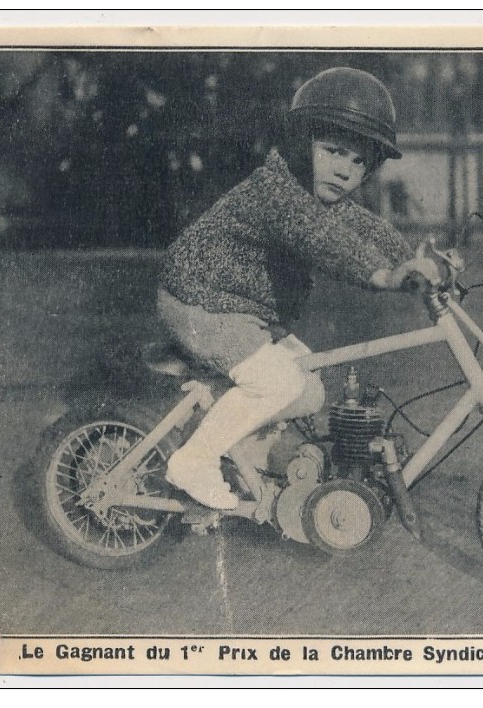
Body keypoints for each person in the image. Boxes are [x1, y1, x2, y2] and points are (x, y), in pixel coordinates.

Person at [157, 66, 436, 509]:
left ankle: (237, 439)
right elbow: (322, 239)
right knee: (280, 381)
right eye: (334, 151)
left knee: (309, 385)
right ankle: (194, 459)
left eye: (359, 160)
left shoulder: (321, 193)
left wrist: (412, 264)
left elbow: (363, 227)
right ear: (301, 143)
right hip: (201, 302)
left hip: (241, 310)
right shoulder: (280, 192)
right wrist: (381, 276)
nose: (345, 170)